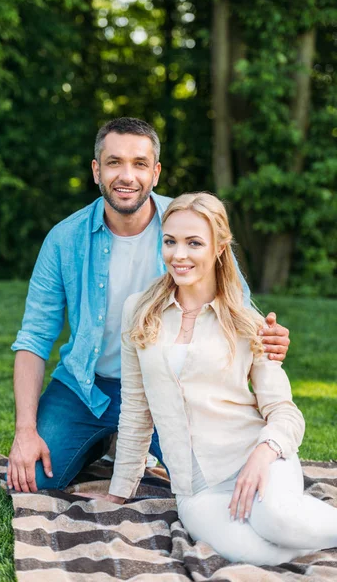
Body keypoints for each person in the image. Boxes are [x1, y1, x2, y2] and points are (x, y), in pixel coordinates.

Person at [6, 118, 291, 494]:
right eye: (114, 162)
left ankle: (126, 447)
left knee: (213, 485)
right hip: (83, 387)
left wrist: (267, 341)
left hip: (170, 384)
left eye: (139, 163)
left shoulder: (191, 224)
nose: (127, 175)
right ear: (96, 170)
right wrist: (25, 431)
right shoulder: (63, 239)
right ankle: (102, 443)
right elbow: (34, 338)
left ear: (155, 172)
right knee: (33, 481)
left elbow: (235, 306)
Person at [98, 192, 337, 566]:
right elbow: (136, 410)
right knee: (258, 554)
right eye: (170, 241)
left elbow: (285, 412)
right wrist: (119, 492)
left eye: (194, 243)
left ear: (220, 248)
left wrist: (264, 453)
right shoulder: (138, 311)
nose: (179, 255)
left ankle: (296, 514)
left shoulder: (247, 322)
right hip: (195, 491)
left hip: (256, 459)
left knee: (279, 520)